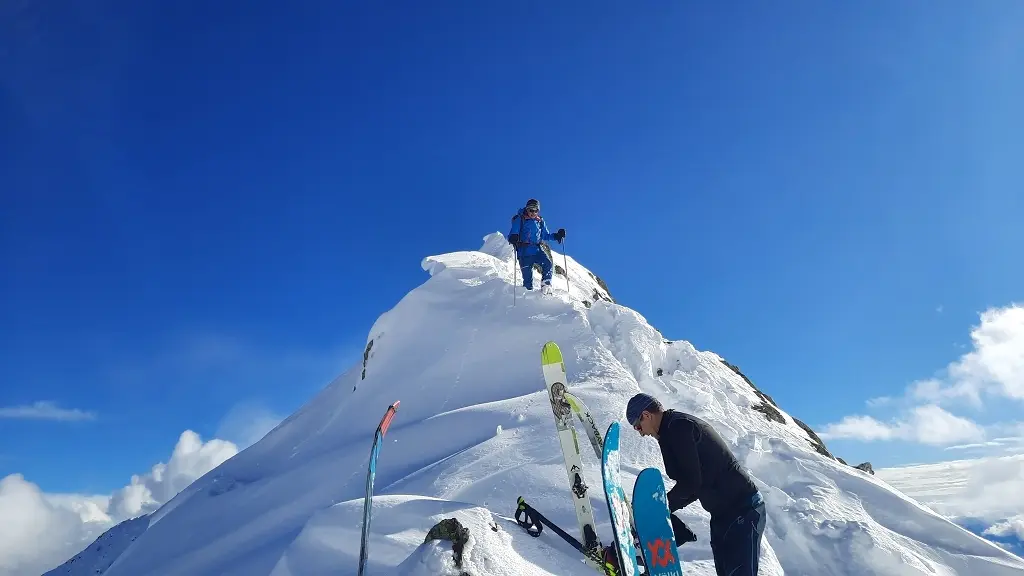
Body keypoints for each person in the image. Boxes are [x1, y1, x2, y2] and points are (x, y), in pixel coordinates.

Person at [626, 392, 766, 576]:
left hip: (743, 510)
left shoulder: (679, 427)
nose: (640, 432)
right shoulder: (669, 431)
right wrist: (663, 510)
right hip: (723, 514)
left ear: (646, 415)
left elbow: (691, 483)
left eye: (637, 426)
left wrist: (659, 510)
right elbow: (694, 485)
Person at [507, 198, 565, 293]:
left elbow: (545, 235)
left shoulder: (540, 221)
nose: (533, 212)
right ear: (526, 209)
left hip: (537, 250)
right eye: (531, 210)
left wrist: (557, 236)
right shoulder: (520, 219)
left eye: (536, 210)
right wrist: (513, 237)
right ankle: (527, 297)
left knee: (548, 263)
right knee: (527, 279)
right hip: (524, 252)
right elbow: (513, 232)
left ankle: (546, 285)